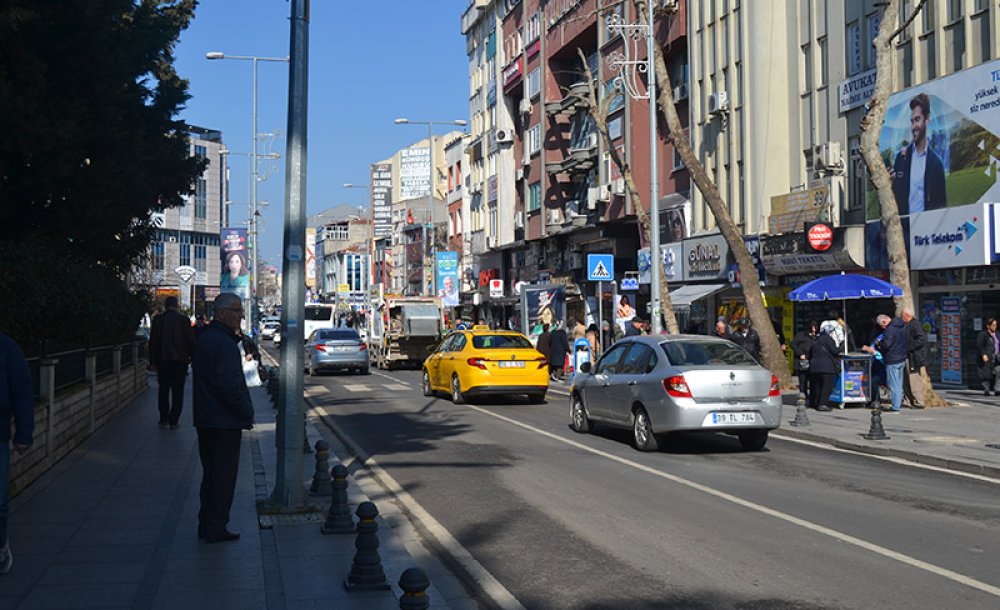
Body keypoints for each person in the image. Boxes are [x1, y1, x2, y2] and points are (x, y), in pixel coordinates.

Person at [192, 292, 255, 543]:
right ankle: (215, 526)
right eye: (238, 311)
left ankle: (206, 524)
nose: (241, 316)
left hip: (206, 419)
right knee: (223, 477)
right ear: (224, 313)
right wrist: (247, 412)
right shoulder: (225, 344)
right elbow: (230, 387)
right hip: (223, 422)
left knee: (211, 475)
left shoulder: (207, 339)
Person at [0, 333, 34, 574]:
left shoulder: (7, 348)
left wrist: (24, 432)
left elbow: (22, 391)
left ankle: (1, 544)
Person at [891, 93, 947, 215]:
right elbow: (894, 197)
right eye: (912, 121)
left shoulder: (936, 164)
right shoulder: (902, 159)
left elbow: (941, 205)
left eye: (917, 120)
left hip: (927, 229)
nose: (913, 126)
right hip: (904, 228)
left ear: (927, 120)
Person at [149, 296, 196, 430]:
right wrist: (192, 358)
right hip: (180, 361)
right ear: (177, 306)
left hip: (163, 361)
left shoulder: (158, 320)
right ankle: (174, 420)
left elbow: (153, 342)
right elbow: (191, 341)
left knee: (163, 390)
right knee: (178, 391)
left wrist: (153, 361)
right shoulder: (183, 320)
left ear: (165, 305)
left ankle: (163, 419)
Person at [879, 313, 910, 413]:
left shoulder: (889, 330)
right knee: (899, 383)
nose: (882, 328)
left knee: (893, 384)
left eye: (881, 325)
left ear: (884, 322)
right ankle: (898, 402)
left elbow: (887, 345)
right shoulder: (902, 327)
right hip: (902, 357)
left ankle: (895, 406)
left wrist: (881, 344)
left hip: (892, 359)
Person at [808, 324, 840, 411]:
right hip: (826, 366)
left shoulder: (815, 339)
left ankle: (817, 403)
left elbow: (810, 352)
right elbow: (834, 351)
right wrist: (840, 347)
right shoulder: (827, 339)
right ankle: (823, 404)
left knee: (817, 385)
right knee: (826, 386)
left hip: (814, 367)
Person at [901, 307, 926, 409]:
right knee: (906, 380)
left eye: (902, 316)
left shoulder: (915, 325)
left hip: (913, 357)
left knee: (914, 380)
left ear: (907, 316)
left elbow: (921, 340)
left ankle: (919, 401)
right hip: (908, 356)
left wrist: (908, 347)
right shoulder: (907, 325)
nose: (902, 318)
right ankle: (908, 400)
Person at [791, 321, 818, 397]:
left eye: (815, 326)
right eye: (812, 327)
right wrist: (800, 353)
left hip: (813, 360)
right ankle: (803, 394)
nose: (814, 329)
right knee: (803, 379)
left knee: (812, 379)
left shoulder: (817, 336)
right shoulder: (802, 335)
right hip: (803, 361)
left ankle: (811, 395)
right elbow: (793, 343)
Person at [976, 318, 1000, 396]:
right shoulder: (983, 334)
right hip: (987, 356)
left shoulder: (997, 334)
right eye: (993, 325)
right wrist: (983, 354)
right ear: (988, 326)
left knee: (998, 372)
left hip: (997, 357)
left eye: (996, 325)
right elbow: (980, 346)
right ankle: (986, 389)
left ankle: (997, 389)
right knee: (986, 374)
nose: (995, 326)